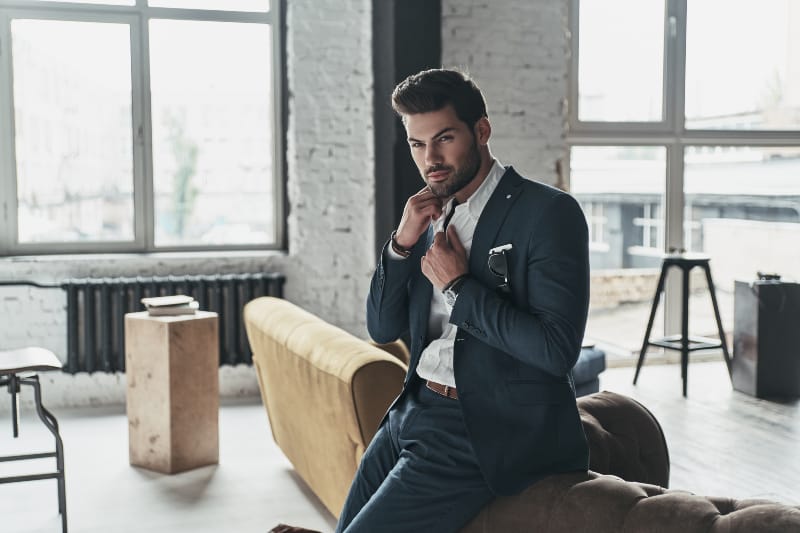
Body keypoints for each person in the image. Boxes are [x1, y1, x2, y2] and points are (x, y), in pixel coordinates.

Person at [335, 68, 591, 532]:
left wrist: (458, 289)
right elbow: (381, 328)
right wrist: (400, 245)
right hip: (411, 410)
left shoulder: (548, 213)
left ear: (482, 130)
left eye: (444, 138)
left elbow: (556, 350)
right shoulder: (431, 215)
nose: (430, 158)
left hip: (481, 430)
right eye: (417, 144)